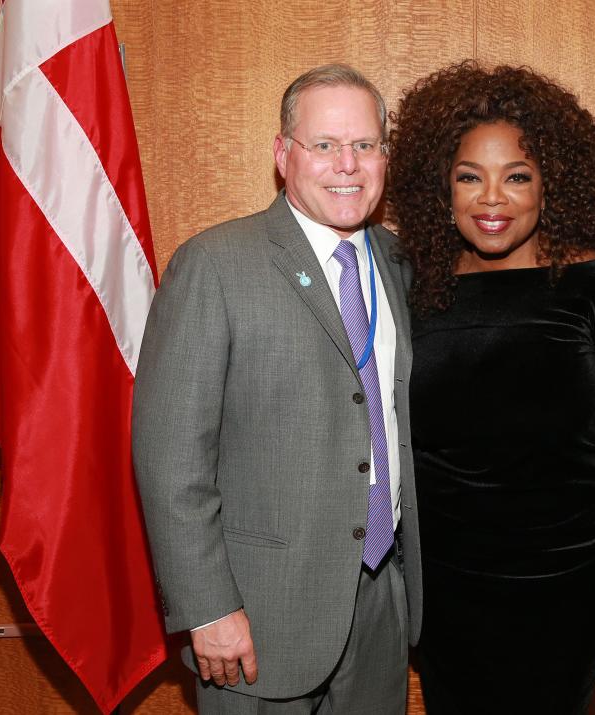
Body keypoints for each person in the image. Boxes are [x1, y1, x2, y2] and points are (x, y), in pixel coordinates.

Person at [386, 61, 595, 714]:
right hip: (445, 597)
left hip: (565, 591)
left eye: (517, 176)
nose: (493, 199)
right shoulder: (414, 292)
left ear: (552, 185)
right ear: (442, 187)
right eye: (470, 177)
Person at [132, 64, 421, 714]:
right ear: (282, 154)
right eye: (324, 144)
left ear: (384, 156)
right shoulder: (215, 265)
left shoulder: (402, 266)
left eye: (365, 145)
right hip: (258, 619)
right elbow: (170, 458)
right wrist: (207, 607)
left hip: (381, 608)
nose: (347, 164)